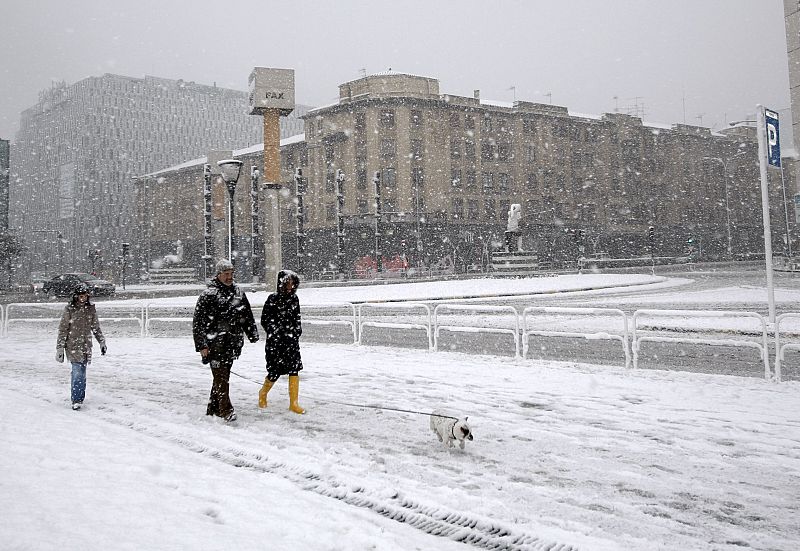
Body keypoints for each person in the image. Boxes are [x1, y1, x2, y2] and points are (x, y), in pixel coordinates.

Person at [192, 259, 259, 422]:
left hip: (232, 343)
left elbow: (247, 315)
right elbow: (198, 322)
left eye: (231, 274)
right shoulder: (208, 294)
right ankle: (225, 410)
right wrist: (202, 345)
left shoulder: (238, 292)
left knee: (222, 375)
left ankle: (212, 408)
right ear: (218, 274)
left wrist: (252, 333)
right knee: (221, 376)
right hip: (214, 343)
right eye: (226, 274)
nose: (230, 277)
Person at [258, 270, 305, 414]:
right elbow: (265, 320)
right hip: (276, 344)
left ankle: (294, 403)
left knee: (294, 370)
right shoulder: (272, 299)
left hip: (291, 342)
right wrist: (277, 332)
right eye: (288, 282)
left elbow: (297, 318)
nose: (291, 285)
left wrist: (296, 331)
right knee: (274, 372)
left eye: (293, 282)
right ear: (282, 283)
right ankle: (263, 393)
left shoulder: (294, 299)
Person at [55, 283, 107, 410]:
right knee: (77, 373)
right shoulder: (70, 309)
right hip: (73, 345)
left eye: (85, 296)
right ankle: (76, 399)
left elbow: (96, 327)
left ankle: (80, 397)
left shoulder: (90, 309)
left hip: (85, 346)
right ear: (76, 296)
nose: (83, 298)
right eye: (81, 296)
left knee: (82, 374)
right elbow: (63, 329)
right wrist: (60, 347)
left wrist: (101, 342)